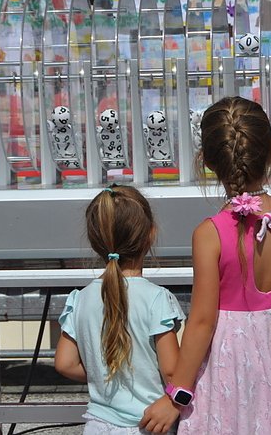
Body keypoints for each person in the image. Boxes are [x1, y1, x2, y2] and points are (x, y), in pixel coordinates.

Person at [140, 96, 271, 434]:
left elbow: (203, 321)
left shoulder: (209, 234)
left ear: (206, 160)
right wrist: (270, 350)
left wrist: (177, 394)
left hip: (224, 370)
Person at [54, 184, 185, 434]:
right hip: (149, 424)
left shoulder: (79, 299)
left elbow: (65, 363)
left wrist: (107, 375)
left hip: (97, 425)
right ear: (151, 235)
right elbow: (170, 370)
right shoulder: (157, 299)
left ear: (96, 242)